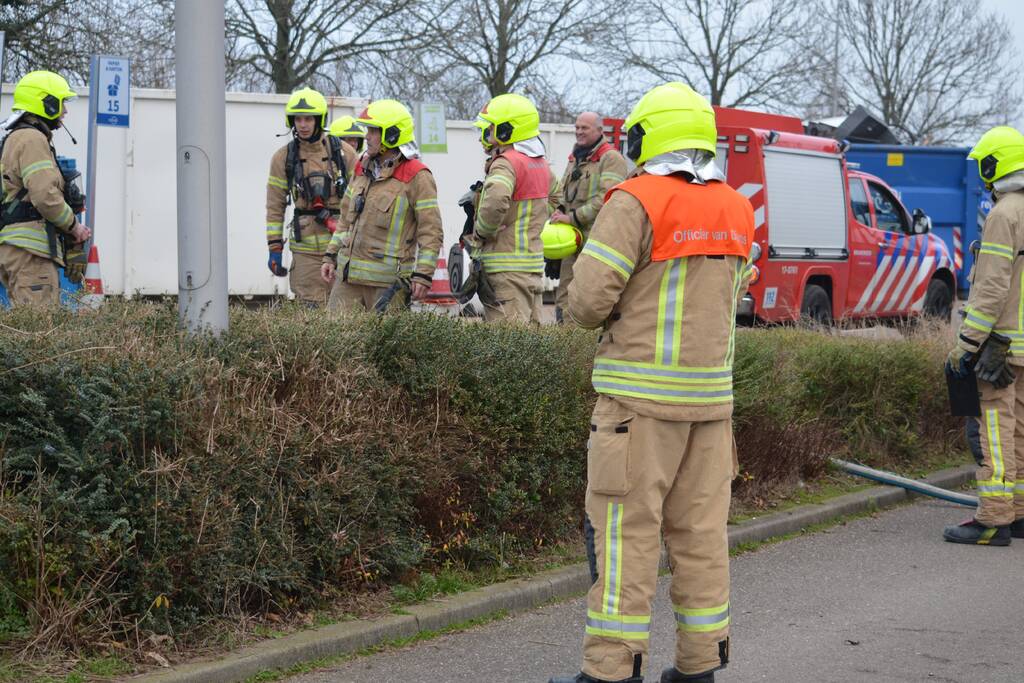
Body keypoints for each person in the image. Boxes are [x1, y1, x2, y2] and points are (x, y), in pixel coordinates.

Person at [549, 82, 754, 683]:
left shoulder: (634, 201)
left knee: (625, 536)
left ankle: (612, 671)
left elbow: (587, 303)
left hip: (636, 408)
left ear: (650, 135)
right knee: (701, 537)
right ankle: (700, 665)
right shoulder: (736, 207)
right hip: (712, 407)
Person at [944, 125, 1024, 546]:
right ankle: (1020, 512)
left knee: (994, 427)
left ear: (998, 164)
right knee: (1021, 430)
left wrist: (967, 343)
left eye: (985, 165)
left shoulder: (1003, 213)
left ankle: (993, 519)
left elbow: (991, 286)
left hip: (1001, 345)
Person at [321, 99, 442, 312]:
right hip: (347, 280)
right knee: (336, 338)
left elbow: (430, 231)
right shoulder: (361, 167)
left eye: (373, 131)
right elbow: (345, 220)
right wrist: (331, 255)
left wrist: (423, 274)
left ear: (392, 135)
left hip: (388, 285)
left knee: (385, 345)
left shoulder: (418, 176)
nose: (366, 136)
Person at [0, 70, 91, 307]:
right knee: (38, 328)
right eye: (61, 103)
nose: (65, 111)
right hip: (31, 253)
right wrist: (75, 227)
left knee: (23, 328)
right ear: (46, 103)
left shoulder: (15, 138)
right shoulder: (32, 139)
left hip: (16, 249)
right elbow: (44, 196)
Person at [467, 93, 558, 323]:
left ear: (505, 131)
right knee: (530, 348)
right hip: (532, 268)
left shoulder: (506, 162)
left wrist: (483, 231)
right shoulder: (541, 164)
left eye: (488, 130)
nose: (482, 138)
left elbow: (496, 200)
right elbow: (556, 198)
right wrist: (529, 219)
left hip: (505, 270)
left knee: (506, 346)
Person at [265, 87, 356, 305]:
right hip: (305, 252)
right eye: (298, 119)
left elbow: (361, 200)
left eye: (308, 119)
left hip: (341, 248)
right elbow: (275, 206)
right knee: (309, 309)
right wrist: (274, 247)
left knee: (344, 310)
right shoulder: (283, 158)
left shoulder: (344, 153)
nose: (303, 125)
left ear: (319, 119)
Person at [551, 112, 627, 323]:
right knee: (565, 295)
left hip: (596, 243)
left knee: (589, 299)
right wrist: (559, 211)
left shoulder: (611, 159)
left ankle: (584, 348)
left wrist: (572, 218)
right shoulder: (576, 156)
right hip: (571, 242)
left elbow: (607, 199)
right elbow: (563, 191)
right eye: (576, 127)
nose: (578, 132)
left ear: (600, 130)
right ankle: (563, 342)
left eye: (584, 128)